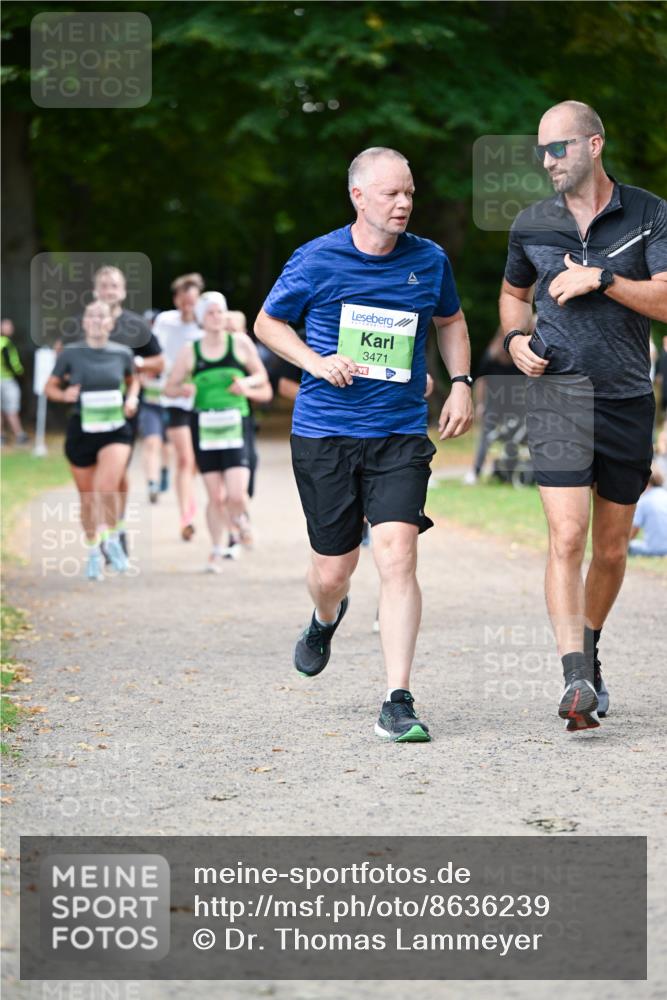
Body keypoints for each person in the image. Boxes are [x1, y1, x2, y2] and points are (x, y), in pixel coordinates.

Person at [255, 146, 473, 743]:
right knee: (333, 570)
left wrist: (459, 383)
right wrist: (316, 362)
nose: (403, 203)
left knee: (398, 555)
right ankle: (326, 617)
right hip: (326, 433)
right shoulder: (316, 258)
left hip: (399, 433)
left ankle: (396, 698)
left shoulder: (428, 260)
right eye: (390, 194)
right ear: (358, 196)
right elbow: (268, 323)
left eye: (408, 193)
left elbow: (449, 322)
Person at [500, 100, 667, 731]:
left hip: (626, 396)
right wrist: (516, 341)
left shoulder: (649, 213)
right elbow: (513, 295)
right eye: (542, 150)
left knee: (614, 548)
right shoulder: (531, 224)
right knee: (567, 537)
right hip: (558, 398)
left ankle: (591, 649)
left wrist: (602, 280)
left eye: (559, 147)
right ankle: (574, 675)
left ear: (594, 146)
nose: (548, 160)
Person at [165, 292, 272, 572]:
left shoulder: (239, 343)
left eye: (220, 312)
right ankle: (216, 548)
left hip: (237, 423)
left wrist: (246, 384)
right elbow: (169, 387)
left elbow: (261, 376)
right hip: (205, 427)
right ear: (201, 318)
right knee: (215, 496)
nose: (217, 317)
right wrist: (184, 389)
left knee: (235, 494)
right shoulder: (191, 350)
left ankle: (242, 522)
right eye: (211, 312)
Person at [44, 300, 140, 580]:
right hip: (82, 430)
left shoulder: (122, 352)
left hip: (115, 429)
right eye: (92, 316)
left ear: (111, 323)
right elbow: (50, 386)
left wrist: (132, 398)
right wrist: (64, 395)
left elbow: (133, 380)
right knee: (87, 498)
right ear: (84, 322)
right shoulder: (71, 353)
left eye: (102, 316)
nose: (97, 320)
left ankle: (110, 540)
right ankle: (93, 551)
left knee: (107, 487)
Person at [90, 266, 164, 555]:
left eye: (114, 285)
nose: (109, 290)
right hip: (89, 409)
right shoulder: (84, 322)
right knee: (95, 473)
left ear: (122, 291)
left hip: (124, 409)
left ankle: (115, 528)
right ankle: (103, 530)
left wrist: (134, 364)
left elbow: (159, 363)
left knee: (116, 473)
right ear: (96, 290)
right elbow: (65, 354)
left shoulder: (135, 326)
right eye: (104, 285)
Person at [153, 273, 205, 539]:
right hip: (174, 398)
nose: (188, 307)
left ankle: (195, 504)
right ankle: (186, 516)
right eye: (184, 302)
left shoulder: (205, 327)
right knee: (184, 459)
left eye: (192, 302)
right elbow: (153, 353)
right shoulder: (164, 322)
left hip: (202, 402)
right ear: (176, 300)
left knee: (196, 461)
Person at [463, 326, 525, 485]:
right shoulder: (491, 356)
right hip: (493, 404)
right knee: (486, 438)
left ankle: (509, 474)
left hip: (514, 405)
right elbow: (481, 381)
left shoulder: (520, 356)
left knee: (513, 438)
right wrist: (480, 404)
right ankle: (475, 471)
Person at [0, 319, 29, 445]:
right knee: (12, 409)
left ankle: (2, 437)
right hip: (6, 379)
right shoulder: (6, 343)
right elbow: (12, 363)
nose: (10, 328)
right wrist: (21, 374)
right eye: (7, 326)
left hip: (5, 379)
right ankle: (19, 435)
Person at [629, 466, 667, 557]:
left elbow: (633, 531)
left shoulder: (644, 501)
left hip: (655, 550)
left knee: (627, 545)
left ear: (646, 483)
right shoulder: (665, 495)